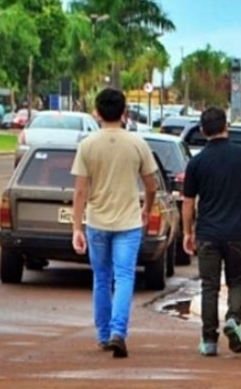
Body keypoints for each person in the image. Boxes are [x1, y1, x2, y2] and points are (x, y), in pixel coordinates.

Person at [70, 88, 159, 359]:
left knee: (101, 278)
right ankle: (119, 332)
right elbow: (151, 185)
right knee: (124, 277)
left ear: (97, 113)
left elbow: (80, 191)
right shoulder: (137, 144)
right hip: (129, 222)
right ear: (125, 113)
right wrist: (147, 208)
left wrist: (77, 227)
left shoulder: (87, 145)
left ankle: (103, 334)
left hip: (97, 221)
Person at [181, 107, 241, 357]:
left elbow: (188, 202)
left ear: (202, 130)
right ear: (226, 127)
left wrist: (187, 233)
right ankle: (233, 318)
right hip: (238, 233)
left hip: (208, 234)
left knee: (209, 286)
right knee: (237, 281)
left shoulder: (196, 162)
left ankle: (209, 340)